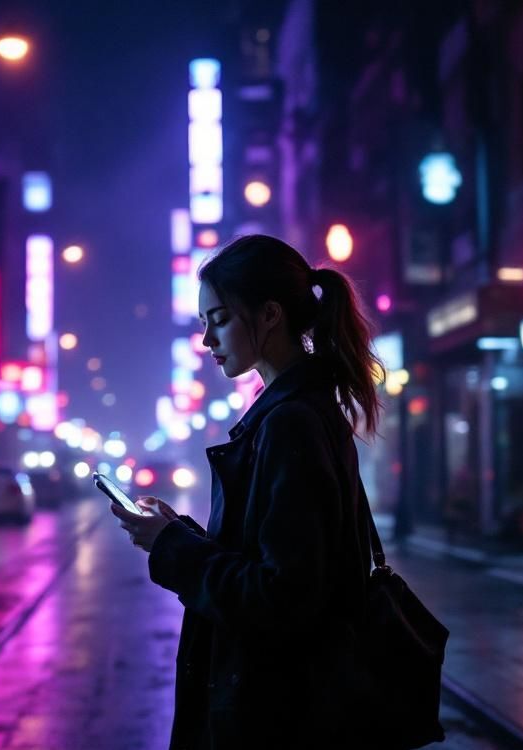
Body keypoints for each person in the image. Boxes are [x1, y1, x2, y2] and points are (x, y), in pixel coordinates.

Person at [111, 234, 385, 748]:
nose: (208, 339)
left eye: (218, 319)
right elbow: (268, 557)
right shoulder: (299, 410)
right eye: (203, 324)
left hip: (276, 715)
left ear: (269, 315)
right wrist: (179, 532)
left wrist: (171, 548)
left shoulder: (290, 423)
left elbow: (280, 596)